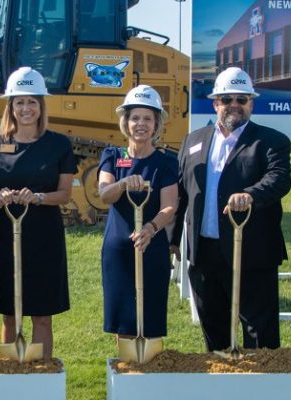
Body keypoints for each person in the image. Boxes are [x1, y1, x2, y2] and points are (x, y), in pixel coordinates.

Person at [172, 67, 291, 351]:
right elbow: (181, 192)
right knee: (214, 332)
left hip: (252, 251)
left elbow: (279, 179)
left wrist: (250, 195)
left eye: (241, 99)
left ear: (251, 103)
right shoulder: (193, 141)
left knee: (259, 334)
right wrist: (172, 239)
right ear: (215, 103)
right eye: (227, 99)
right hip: (205, 254)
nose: (234, 105)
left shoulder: (271, 141)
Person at [0, 67, 77, 359]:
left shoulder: (59, 144)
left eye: (32, 101)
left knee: (42, 312)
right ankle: (11, 369)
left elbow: (65, 194)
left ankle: (43, 370)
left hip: (44, 232)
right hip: (6, 232)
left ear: (41, 106)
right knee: (9, 312)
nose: (26, 108)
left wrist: (37, 197)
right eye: (19, 102)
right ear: (10, 106)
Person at [98, 85, 178, 341]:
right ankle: (127, 368)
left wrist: (151, 229)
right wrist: (123, 183)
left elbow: (169, 206)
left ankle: (152, 368)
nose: (140, 124)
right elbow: (104, 194)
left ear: (156, 124)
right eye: (135, 118)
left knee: (151, 315)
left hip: (151, 245)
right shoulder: (113, 156)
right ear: (125, 122)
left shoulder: (165, 162)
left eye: (147, 118)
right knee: (124, 319)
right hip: (118, 248)